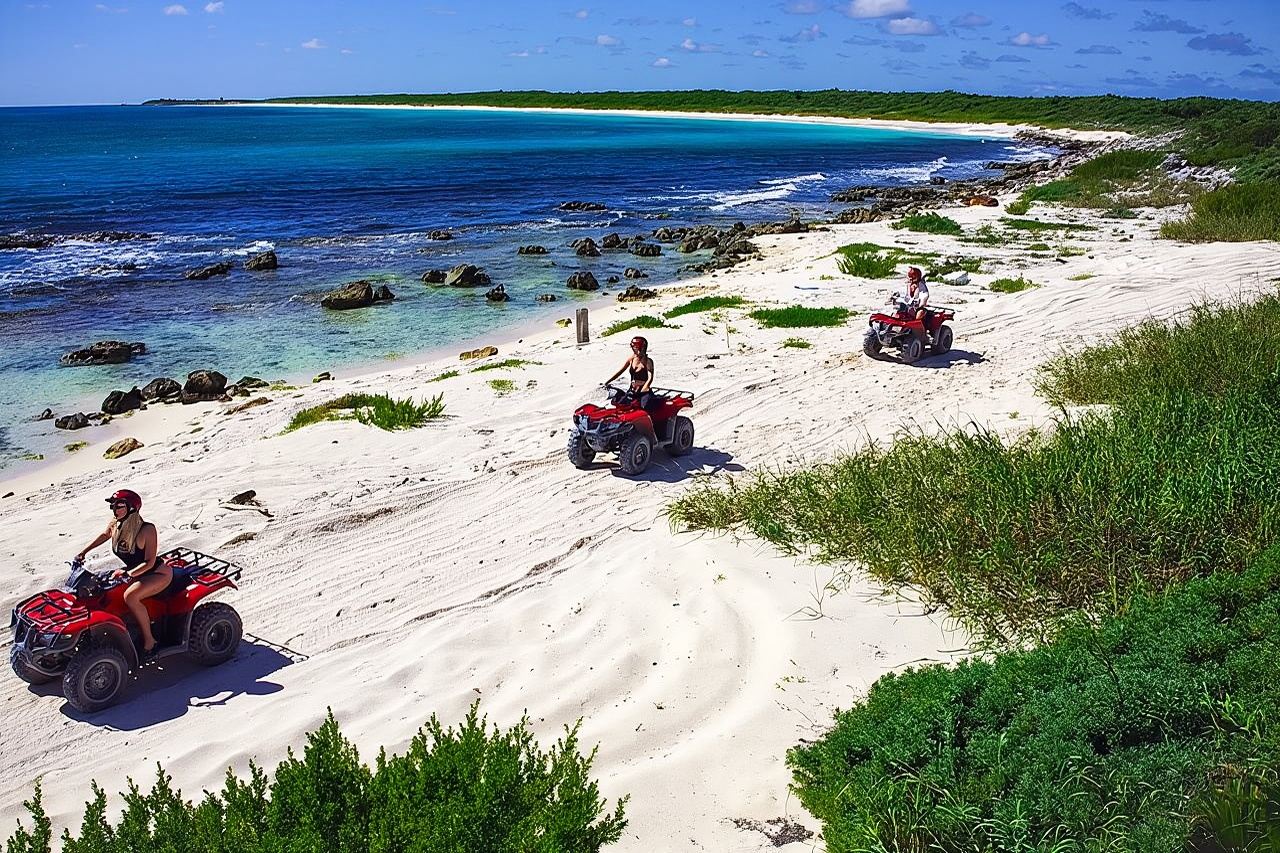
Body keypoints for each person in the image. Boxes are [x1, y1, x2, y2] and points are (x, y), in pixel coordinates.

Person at [75, 489, 170, 660]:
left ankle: (150, 642)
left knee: (130, 597)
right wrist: (83, 552)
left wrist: (128, 574)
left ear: (131, 508)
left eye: (119, 506)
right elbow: (105, 535)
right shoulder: (116, 524)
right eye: (112, 505)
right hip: (132, 571)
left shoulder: (147, 529)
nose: (114, 509)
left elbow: (149, 562)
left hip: (156, 573)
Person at [603, 336, 658, 441]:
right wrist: (608, 381)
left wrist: (646, 386)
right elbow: (620, 371)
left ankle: (652, 434)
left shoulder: (648, 361)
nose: (635, 350)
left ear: (643, 348)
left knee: (644, 408)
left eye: (637, 348)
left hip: (643, 392)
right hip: (632, 390)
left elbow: (650, 377)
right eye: (634, 348)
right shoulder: (632, 358)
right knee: (620, 404)